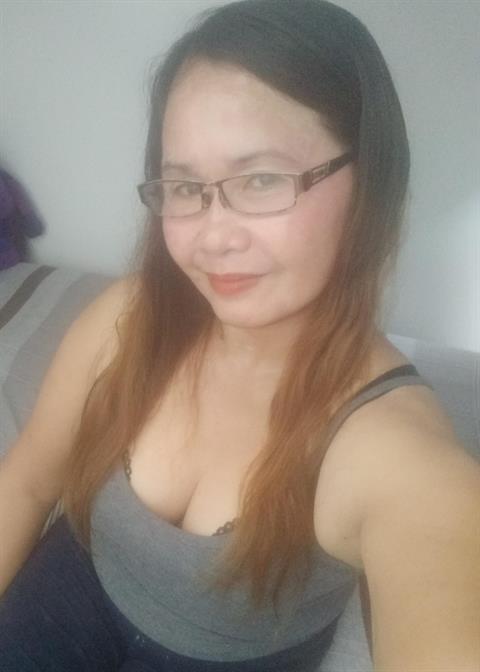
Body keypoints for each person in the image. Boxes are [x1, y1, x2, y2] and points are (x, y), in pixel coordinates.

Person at [0, 0, 479, 670]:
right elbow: (27, 483)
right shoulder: (125, 319)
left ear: (368, 181)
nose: (212, 237)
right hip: (73, 587)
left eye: (260, 179)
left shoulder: (397, 457)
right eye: (183, 186)